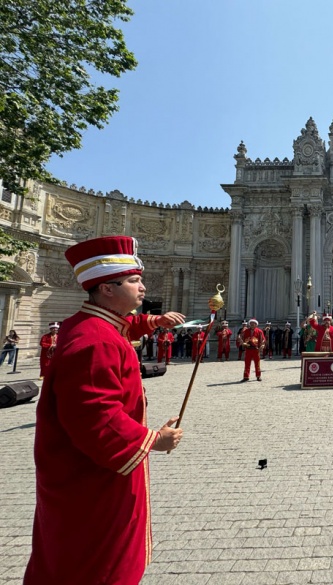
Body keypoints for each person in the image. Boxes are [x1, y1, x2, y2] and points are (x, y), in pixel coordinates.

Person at [24, 235, 185, 585]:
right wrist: (154, 440)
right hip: (94, 477)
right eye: (134, 280)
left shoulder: (92, 325)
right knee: (98, 564)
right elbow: (95, 417)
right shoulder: (95, 341)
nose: (143, 287)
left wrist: (153, 321)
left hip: (88, 472)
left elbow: (124, 326)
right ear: (107, 289)